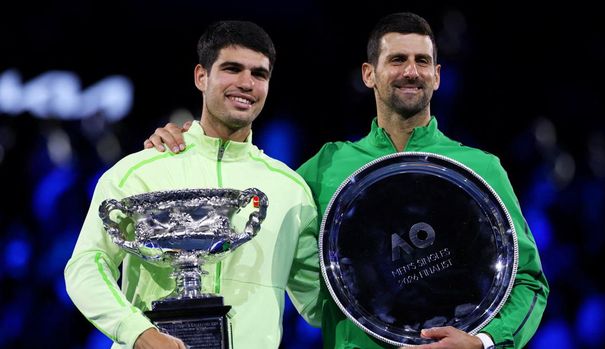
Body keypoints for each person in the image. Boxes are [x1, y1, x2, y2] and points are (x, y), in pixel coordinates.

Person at [144, 12, 549, 349]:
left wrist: (484, 341)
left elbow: (529, 282)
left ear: (438, 76)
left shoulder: (481, 169)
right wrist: (192, 145)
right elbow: (236, 211)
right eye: (398, 60)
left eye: (422, 61)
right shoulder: (327, 167)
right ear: (369, 74)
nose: (412, 72)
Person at [65, 20, 321, 349]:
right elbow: (86, 266)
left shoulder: (290, 189)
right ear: (202, 76)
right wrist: (138, 333)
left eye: (259, 74)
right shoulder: (138, 171)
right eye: (232, 69)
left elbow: (319, 304)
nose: (246, 83)